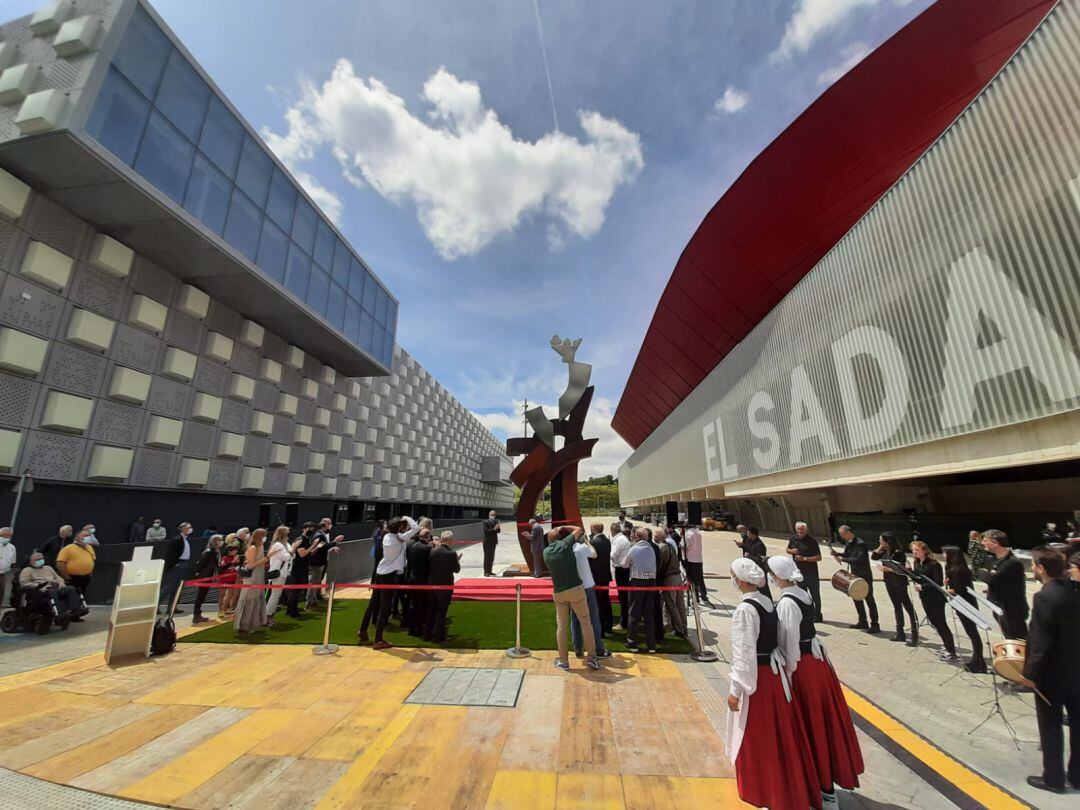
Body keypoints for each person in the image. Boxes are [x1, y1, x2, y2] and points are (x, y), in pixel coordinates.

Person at [725, 557, 822, 810]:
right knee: (778, 733)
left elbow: (743, 652)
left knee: (759, 735)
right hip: (774, 675)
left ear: (740, 580)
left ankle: (765, 789)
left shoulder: (746, 610)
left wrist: (735, 689)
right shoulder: (767, 602)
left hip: (758, 678)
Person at [768, 555, 864, 807]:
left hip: (802, 668)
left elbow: (789, 643)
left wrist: (786, 675)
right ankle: (825, 786)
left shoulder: (788, 602)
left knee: (809, 725)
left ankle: (820, 789)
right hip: (817, 664)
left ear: (778, 576)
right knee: (821, 723)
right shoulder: (803, 593)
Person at [1024, 548, 1080, 794]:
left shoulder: (1045, 597)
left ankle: (1054, 778)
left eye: (1034, 565)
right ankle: (1077, 775)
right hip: (1076, 670)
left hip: (1052, 674)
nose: (1033, 569)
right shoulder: (1073, 590)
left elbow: (1041, 642)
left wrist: (1030, 675)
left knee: (1050, 726)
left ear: (1041, 568)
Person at [543, 525, 600, 671]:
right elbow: (579, 529)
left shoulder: (546, 552)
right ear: (560, 538)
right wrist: (563, 527)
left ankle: (563, 660)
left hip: (559, 592)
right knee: (586, 623)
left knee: (561, 626)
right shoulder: (565, 545)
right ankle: (592, 657)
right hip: (575, 589)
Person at [360, 516, 419, 650]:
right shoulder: (400, 538)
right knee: (384, 607)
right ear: (399, 528)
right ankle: (378, 639)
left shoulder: (386, 537)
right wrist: (407, 518)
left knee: (373, 603)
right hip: (390, 575)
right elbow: (416, 528)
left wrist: (400, 523)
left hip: (381, 572)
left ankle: (362, 630)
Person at [909, 541, 957, 661]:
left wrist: (922, 587)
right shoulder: (916, 563)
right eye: (913, 550)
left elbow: (938, 582)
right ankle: (946, 647)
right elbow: (918, 577)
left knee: (941, 624)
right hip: (924, 597)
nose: (914, 552)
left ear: (925, 550)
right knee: (935, 623)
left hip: (935, 598)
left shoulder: (934, 564)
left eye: (917, 550)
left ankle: (951, 651)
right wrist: (910, 572)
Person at [943, 546, 987, 674]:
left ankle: (978, 662)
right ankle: (978, 661)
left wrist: (947, 590)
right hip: (963, 604)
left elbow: (959, 590)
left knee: (972, 633)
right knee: (972, 633)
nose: (944, 556)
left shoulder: (957, 571)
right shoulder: (956, 569)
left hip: (965, 604)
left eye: (945, 553)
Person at [978, 529, 1028, 639]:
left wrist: (982, 573)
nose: (982, 543)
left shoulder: (1012, 562)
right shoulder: (993, 559)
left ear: (996, 543)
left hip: (1011, 608)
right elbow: (996, 579)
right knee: (1008, 637)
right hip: (998, 604)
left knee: (1017, 639)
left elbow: (990, 578)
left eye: (985, 540)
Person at [569, 529, 610, 659]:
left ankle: (578, 648)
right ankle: (598, 648)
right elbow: (594, 554)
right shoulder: (582, 548)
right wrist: (587, 541)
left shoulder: (568, 550)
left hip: (574, 587)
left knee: (575, 620)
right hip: (586, 586)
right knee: (593, 618)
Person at [872, 532, 918, 646]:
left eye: (881, 540)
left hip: (899, 582)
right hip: (889, 581)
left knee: (907, 606)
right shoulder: (883, 551)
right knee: (896, 606)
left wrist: (888, 569)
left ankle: (914, 632)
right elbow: (873, 557)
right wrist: (880, 547)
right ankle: (900, 632)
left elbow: (902, 568)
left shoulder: (898, 552)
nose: (879, 542)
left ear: (887, 541)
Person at [833, 526, 880, 633]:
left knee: (869, 599)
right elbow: (847, 554)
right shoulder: (849, 543)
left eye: (843, 534)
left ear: (849, 532)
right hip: (854, 575)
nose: (842, 537)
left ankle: (875, 624)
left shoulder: (860, 544)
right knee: (856, 598)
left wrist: (843, 559)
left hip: (864, 575)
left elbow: (859, 559)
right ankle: (862, 621)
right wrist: (837, 553)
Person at [19, 552, 87, 617]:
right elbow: (24, 583)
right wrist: (38, 585)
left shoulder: (48, 568)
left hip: (55, 588)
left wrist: (60, 583)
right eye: (38, 559)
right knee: (51, 592)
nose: (40, 560)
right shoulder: (27, 570)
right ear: (31, 561)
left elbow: (58, 578)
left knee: (71, 588)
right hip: (40, 591)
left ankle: (76, 609)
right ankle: (59, 612)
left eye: (41, 559)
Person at [626, 527, 659, 653]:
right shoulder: (651, 548)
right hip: (651, 582)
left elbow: (625, 564)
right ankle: (651, 645)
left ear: (636, 536)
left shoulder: (634, 549)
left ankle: (632, 643)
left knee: (634, 612)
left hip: (637, 581)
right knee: (648, 614)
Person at [426, 531, 460, 642]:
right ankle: (439, 635)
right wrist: (457, 560)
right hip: (445, 586)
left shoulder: (432, 551)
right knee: (441, 612)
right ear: (450, 540)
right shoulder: (451, 554)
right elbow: (456, 569)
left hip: (432, 585)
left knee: (431, 610)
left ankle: (428, 633)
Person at [284, 523, 323, 619]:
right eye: (310, 528)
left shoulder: (306, 539)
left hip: (303, 568)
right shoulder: (300, 539)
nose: (311, 530)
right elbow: (302, 554)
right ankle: (293, 611)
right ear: (304, 529)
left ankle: (290, 609)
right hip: (298, 569)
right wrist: (313, 546)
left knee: (296, 590)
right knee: (296, 591)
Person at [234, 529, 269, 634]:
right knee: (248, 601)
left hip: (259, 576)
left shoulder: (260, 547)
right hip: (252, 577)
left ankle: (251, 625)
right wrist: (267, 558)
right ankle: (241, 627)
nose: (265, 538)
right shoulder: (253, 548)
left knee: (255, 600)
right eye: (264, 536)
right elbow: (250, 565)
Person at [787, 522, 823, 621]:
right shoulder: (793, 539)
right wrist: (792, 551)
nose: (800, 531)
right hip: (798, 573)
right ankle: (805, 614)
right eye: (798, 529)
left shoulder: (812, 541)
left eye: (802, 529)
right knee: (802, 595)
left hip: (811, 573)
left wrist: (804, 559)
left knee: (815, 595)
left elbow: (819, 557)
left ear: (806, 530)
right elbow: (788, 549)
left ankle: (818, 615)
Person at [657, 526, 687, 638]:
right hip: (678, 576)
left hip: (670, 579)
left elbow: (661, 566)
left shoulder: (662, 548)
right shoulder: (670, 546)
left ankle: (679, 629)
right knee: (680, 605)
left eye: (655, 536)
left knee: (671, 605)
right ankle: (684, 627)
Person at [56, 529, 96, 613]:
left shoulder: (89, 548)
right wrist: (65, 575)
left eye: (88, 536)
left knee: (81, 595)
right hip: (72, 577)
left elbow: (92, 560)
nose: (87, 538)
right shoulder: (69, 548)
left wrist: (90, 571)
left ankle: (78, 613)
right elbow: (60, 563)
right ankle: (69, 613)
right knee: (72, 596)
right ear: (77, 538)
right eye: (84, 536)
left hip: (85, 577)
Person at [161, 522, 194, 614]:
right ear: (183, 529)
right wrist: (174, 564)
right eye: (188, 527)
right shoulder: (177, 539)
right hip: (177, 565)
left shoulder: (185, 540)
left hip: (184, 564)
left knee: (177, 588)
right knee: (168, 587)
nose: (190, 529)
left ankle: (172, 607)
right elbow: (170, 554)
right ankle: (156, 607)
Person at [405, 528, 433, 636]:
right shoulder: (427, 548)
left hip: (413, 578)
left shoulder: (412, 546)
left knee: (413, 603)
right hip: (423, 580)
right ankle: (419, 627)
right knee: (422, 605)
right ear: (428, 536)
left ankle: (411, 628)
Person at [587, 523, 613, 635]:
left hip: (596, 576)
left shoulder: (593, 543)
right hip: (605, 575)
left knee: (598, 603)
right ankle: (609, 625)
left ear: (593, 529)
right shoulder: (607, 541)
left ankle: (600, 629)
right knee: (606, 601)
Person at [191, 534, 223, 624]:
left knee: (202, 596)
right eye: (219, 540)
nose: (221, 542)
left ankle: (198, 614)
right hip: (204, 576)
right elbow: (201, 564)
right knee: (200, 596)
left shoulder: (216, 552)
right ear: (214, 541)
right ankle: (196, 616)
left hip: (209, 576)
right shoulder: (209, 552)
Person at [264, 525, 294, 619]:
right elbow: (286, 557)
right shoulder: (277, 545)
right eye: (287, 534)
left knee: (277, 594)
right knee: (275, 594)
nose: (288, 536)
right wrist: (291, 552)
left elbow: (292, 556)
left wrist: (291, 553)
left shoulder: (285, 544)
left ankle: (269, 614)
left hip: (283, 573)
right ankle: (268, 615)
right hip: (278, 573)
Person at [681, 522, 712, 608]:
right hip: (698, 559)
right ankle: (704, 596)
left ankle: (695, 599)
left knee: (691, 579)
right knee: (700, 578)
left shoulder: (687, 534)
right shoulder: (698, 534)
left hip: (690, 559)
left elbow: (683, 545)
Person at [307, 517, 336, 608]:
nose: (330, 526)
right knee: (313, 582)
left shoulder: (319, 534)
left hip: (318, 562)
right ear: (325, 525)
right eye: (329, 524)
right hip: (317, 563)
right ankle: (310, 600)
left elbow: (323, 547)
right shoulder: (320, 535)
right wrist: (335, 542)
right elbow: (322, 547)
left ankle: (313, 599)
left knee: (316, 581)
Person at [609, 521, 633, 629]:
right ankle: (625, 620)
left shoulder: (618, 540)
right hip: (625, 569)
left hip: (621, 569)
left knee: (623, 597)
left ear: (612, 531)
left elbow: (613, 555)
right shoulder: (623, 538)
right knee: (624, 597)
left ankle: (624, 622)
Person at [217, 536, 242, 618]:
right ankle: (220, 610)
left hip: (232, 578)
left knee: (230, 594)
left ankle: (225, 608)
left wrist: (236, 562)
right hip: (224, 579)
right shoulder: (225, 558)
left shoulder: (234, 557)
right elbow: (223, 567)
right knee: (222, 594)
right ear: (229, 551)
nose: (235, 551)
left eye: (236, 550)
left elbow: (236, 566)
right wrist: (233, 562)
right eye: (234, 550)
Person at [0, 527, 16, 609]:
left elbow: (12, 562)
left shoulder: (12, 548)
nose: (6, 537)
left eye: (8, 536)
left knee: (1, 593)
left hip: (3, 574)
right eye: (4, 535)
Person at [482, 511, 501, 577]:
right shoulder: (485, 522)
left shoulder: (496, 522)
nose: (493, 515)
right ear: (489, 515)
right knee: (487, 556)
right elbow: (486, 531)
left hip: (493, 542)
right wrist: (494, 528)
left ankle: (490, 570)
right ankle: (486, 571)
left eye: (494, 514)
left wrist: (498, 528)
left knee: (492, 556)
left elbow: (498, 531)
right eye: (492, 514)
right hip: (487, 542)